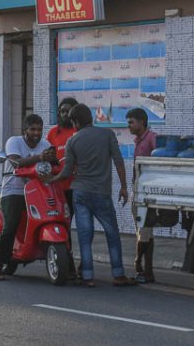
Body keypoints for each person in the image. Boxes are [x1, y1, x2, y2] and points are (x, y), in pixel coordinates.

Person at [46, 103, 137, 287]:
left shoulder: (73, 140)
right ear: (91, 118)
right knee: (112, 233)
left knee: (84, 236)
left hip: (80, 193)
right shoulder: (107, 135)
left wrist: (51, 179)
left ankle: (87, 277)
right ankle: (118, 275)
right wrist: (124, 187)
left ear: (76, 122)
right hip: (102, 193)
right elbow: (119, 161)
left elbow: (67, 172)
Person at [0, 113, 56, 281]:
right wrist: (40, 157)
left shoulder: (45, 144)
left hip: (38, 189)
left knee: (54, 216)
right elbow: (16, 162)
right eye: (33, 129)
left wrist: (55, 160)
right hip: (14, 190)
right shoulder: (14, 142)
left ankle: (67, 265)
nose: (36, 133)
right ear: (24, 130)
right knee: (10, 225)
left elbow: (54, 162)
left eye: (39, 130)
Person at [47, 97, 79, 279]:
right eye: (61, 111)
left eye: (68, 110)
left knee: (81, 228)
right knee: (63, 228)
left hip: (77, 188)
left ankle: (84, 268)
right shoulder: (53, 133)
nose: (64, 114)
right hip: (59, 190)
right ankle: (68, 266)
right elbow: (49, 156)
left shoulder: (78, 132)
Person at [127, 108, 157, 283]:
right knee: (144, 231)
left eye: (131, 122)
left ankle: (138, 263)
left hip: (146, 191)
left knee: (144, 230)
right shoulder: (138, 141)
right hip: (136, 189)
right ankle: (148, 271)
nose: (129, 125)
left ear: (142, 122)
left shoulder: (152, 138)